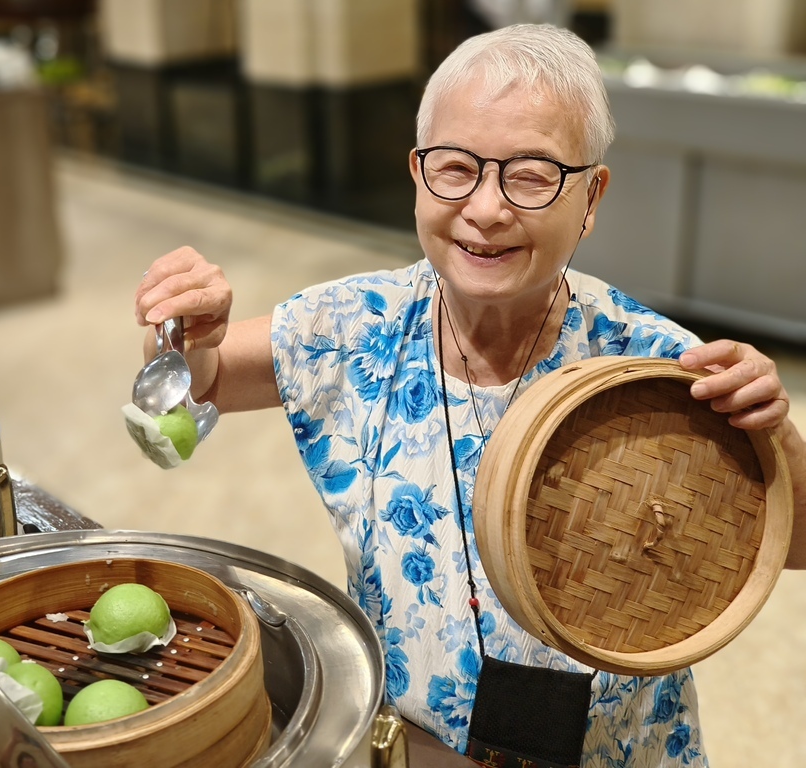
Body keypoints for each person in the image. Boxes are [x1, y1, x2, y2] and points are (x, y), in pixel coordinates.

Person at [133, 24, 806, 766]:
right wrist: (183, 338)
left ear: (591, 195)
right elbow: (197, 389)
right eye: (456, 169)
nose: (486, 209)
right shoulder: (351, 329)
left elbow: (795, 541)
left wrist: (775, 432)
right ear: (418, 174)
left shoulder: (658, 370)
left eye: (531, 175)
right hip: (410, 748)